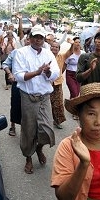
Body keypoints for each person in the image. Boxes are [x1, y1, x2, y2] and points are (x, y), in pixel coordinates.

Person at [12, 25, 60, 174]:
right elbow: (19, 76)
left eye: (41, 37)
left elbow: (56, 73)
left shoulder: (48, 53)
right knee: (29, 129)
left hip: (45, 97)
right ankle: (28, 158)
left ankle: (38, 148)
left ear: (44, 39)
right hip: (28, 97)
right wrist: (37, 72)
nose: (38, 40)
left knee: (47, 129)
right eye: (35, 37)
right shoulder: (21, 53)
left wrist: (48, 72)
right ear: (30, 38)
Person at [76, 31, 100, 130]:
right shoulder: (85, 57)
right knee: (86, 124)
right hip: (87, 96)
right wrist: (90, 70)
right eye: (98, 38)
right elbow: (78, 77)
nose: (99, 41)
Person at [50, 40, 73, 129]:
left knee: (58, 103)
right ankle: (46, 121)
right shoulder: (46, 56)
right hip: (47, 83)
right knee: (46, 103)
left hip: (57, 83)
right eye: (53, 46)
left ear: (59, 49)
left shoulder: (61, 56)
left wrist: (72, 44)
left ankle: (57, 121)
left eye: (56, 47)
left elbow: (70, 52)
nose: (54, 48)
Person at [65, 36, 85, 120]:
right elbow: (64, 64)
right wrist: (59, 75)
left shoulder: (83, 53)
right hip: (70, 74)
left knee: (76, 93)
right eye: (76, 42)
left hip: (79, 75)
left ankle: (70, 105)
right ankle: (75, 112)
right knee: (75, 93)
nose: (77, 44)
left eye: (79, 42)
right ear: (73, 43)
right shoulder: (70, 53)